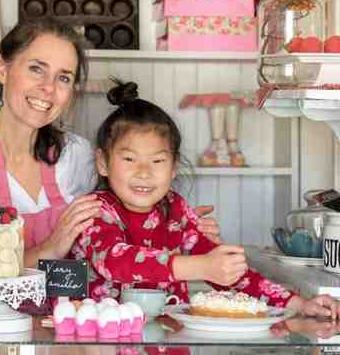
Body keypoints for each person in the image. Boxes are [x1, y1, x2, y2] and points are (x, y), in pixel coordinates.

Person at [0, 19, 221, 279]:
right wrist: (48, 249)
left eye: (63, 77)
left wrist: (171, 226)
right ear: (2, 68)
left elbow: (118, 236)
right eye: (36, 69)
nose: (49, 88)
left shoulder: (78, 156)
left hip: (76, 323)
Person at [69, 77, 339, 317]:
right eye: (129, 159)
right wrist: (200, 266)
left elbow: (227, 271)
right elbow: (115, 262)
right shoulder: (95, 210)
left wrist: (297, 304)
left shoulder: (175, 208)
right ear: (102, 162)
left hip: (168, 344)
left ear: (173, 168)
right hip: (104, 344)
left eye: (157, 160)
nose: (143, 172)